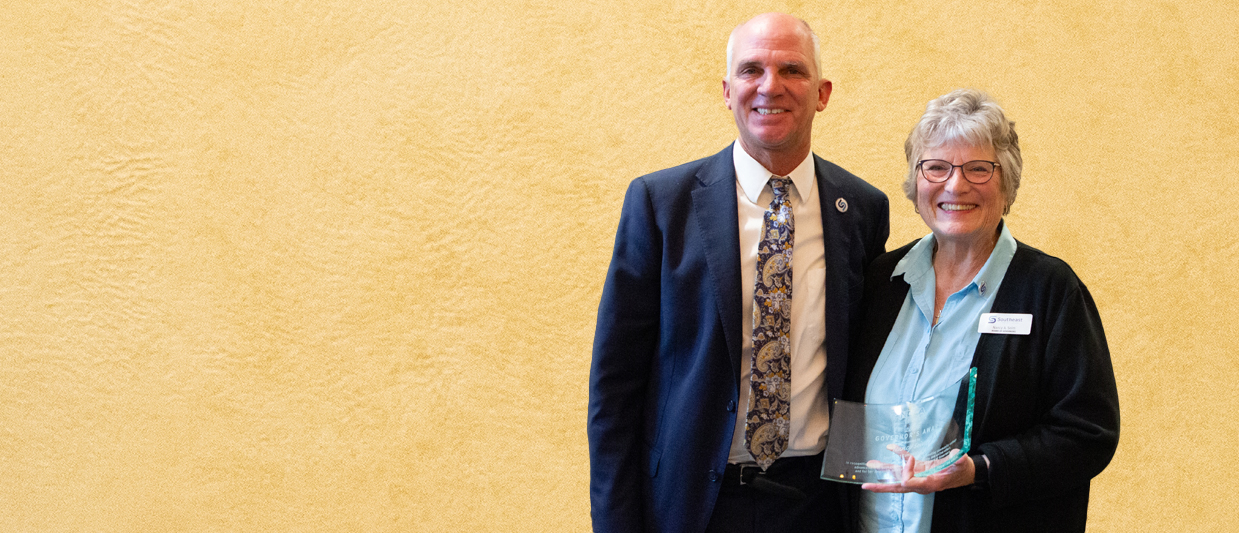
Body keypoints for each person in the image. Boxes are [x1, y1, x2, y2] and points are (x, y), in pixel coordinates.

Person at [588, 12, 890, 533]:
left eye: (792, 71)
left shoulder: (861, 209)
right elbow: (615, 387)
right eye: (752, 70)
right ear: (727, 91)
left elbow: (865, 365)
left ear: (822, 93)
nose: (770, 86)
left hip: (817, 505)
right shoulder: (662, 205)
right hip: (694, 505)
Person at [842, 89, 1120, 532]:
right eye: (936, 167)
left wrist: (980, 469)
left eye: (978, 169)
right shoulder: (881, 281)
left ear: (1007, 185)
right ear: (916, 186)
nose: (955, 185)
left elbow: (1088, 433)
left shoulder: (1049, 290)